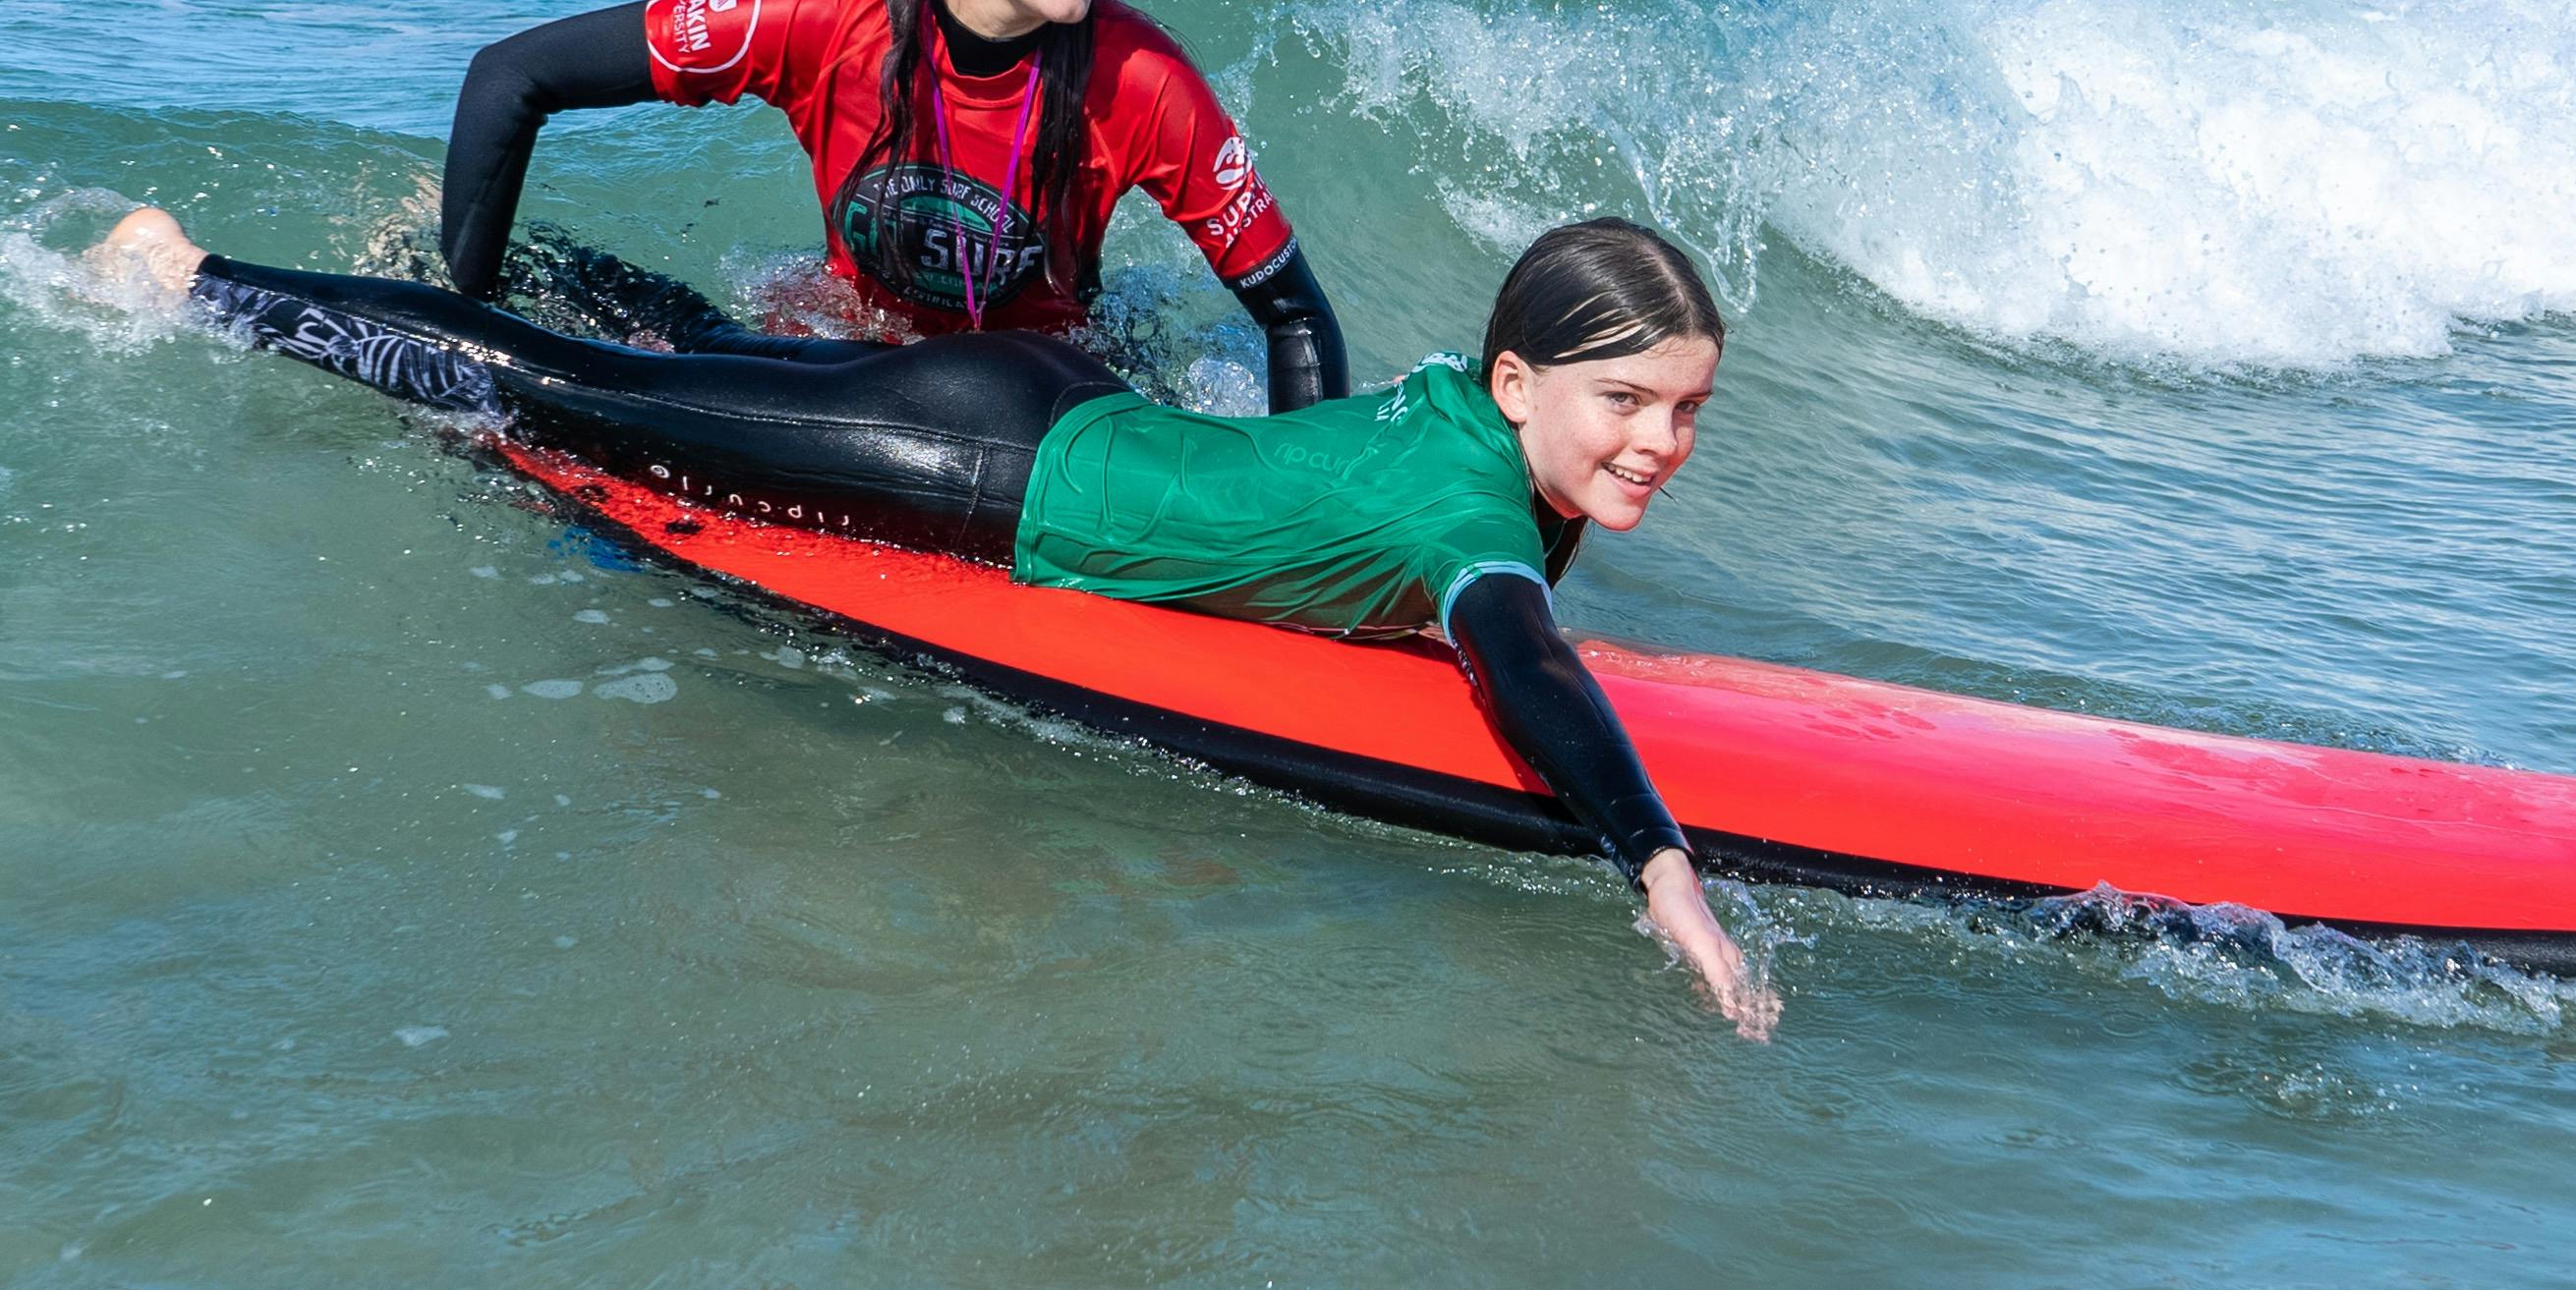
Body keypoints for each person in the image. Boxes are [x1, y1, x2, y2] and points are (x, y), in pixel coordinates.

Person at [91, 206, 1774, 1035]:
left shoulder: (1469, 432)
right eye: (1628, 398)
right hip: (986, 461)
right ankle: (191, 280)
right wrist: (1661, 866)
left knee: (686, 369)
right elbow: (1526, 663)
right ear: (1513, 379)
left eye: (1690, 410)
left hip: (1044, 397)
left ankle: (514, 247)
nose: (1661, 443)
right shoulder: (1479, 509)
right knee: (569, 401)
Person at [442, 0, 1348, 410]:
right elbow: (509, 76)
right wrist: (460, 319)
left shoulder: (1143, 79)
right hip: (854, 368)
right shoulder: (824, 21)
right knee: (644, 326)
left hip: (1050, 402)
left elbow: (1295, 319)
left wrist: (1304, 525)